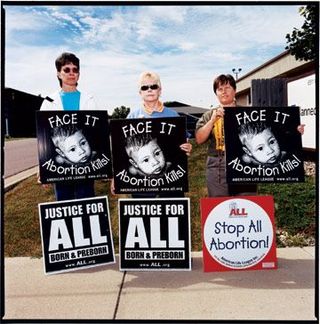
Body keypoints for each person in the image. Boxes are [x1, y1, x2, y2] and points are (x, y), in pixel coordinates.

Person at [111, 71, 192, 196]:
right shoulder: (132, 116)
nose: (149, 90)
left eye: (153, 86)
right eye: (144, 87)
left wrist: (187, 147)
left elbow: (184, 141)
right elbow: (120, 152)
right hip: (141, 188)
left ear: (160, 90)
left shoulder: (173, 115)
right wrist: (116, 178)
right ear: (140, 93)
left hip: (171, 185)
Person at [39, 52, 98, 201]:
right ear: (59, 73)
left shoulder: (89, 100)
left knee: (87, 203)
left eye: (75, 69)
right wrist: (42, 166)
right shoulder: (49, 101)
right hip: (61, 170)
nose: (72, 73)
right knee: (64, 205)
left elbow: (97, 132)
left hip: (86, 167)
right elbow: (43, 137)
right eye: (67, 69)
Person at [195, 74, 257, 197]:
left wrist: (294, 130)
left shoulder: (249, 114)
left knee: (247, 203)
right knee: (219, 206)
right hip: (217, 163)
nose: (224, 92)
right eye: (220, 89)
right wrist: (212, 121)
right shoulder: (209, 115)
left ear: (235, 90)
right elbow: (199, 139)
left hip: (245, 162)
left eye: (227, 87)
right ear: (216, 93)